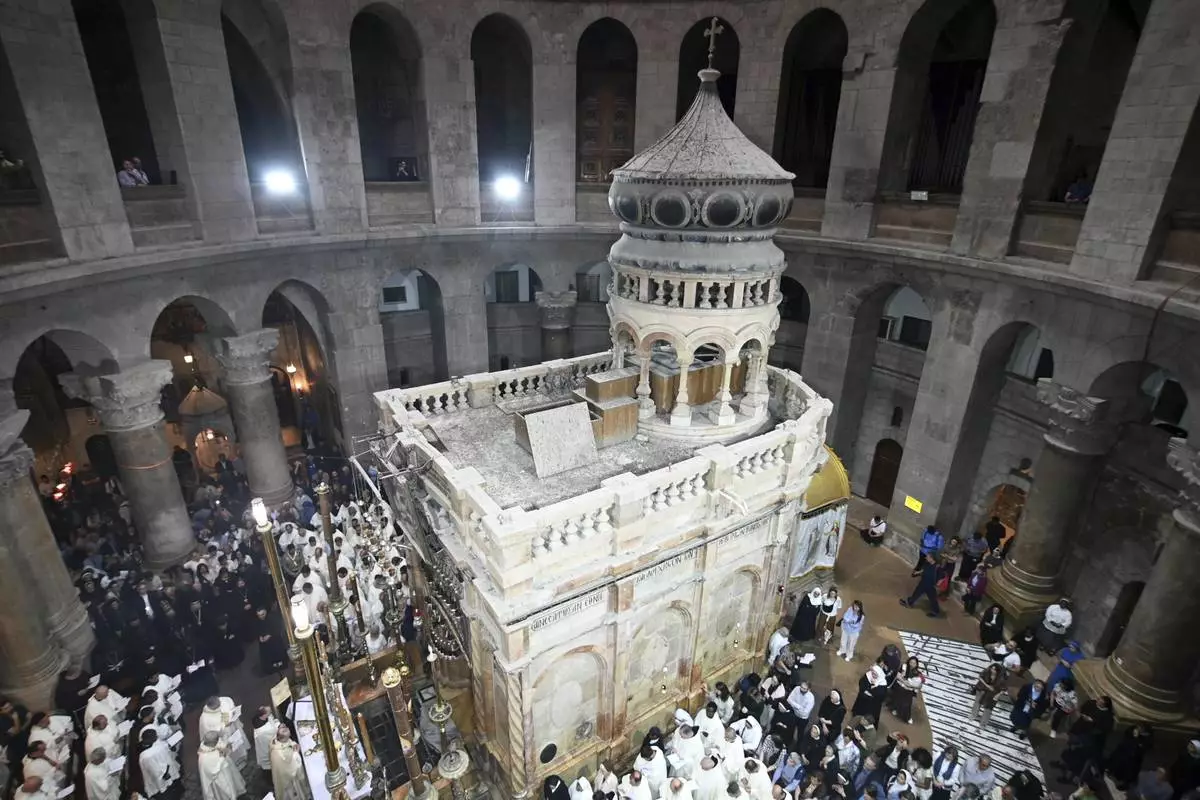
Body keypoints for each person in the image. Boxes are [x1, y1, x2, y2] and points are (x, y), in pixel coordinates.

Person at [198, 729, 246, 800]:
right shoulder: (204, 758)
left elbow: (220, 744)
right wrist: (222, 757)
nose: (218, 741)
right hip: (220, 778)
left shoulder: (209, 744)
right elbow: (212, 772)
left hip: (227, 770)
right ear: (212, 742)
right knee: (227, 793)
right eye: (216, 741)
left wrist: (227, 745)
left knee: (233, 784)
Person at [1106, 724, 1153, 790]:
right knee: (1117, 762)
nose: (1138, 730)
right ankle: (1112, 772)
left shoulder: (1147, 737)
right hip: (1124, 751)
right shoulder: (1132, 729)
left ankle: (1125, 784)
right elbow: (1126, 735)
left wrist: (1137, 739)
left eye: (1140, 729)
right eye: (1138, 728)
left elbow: (1144, 747)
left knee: (1129, 771)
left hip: (1134, 758)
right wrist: (1134, 734)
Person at [138, 727, 181, 799]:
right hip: (158, 779)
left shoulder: (156, 747)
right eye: (156, 736)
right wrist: (164, 772)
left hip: (164, 772)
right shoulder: (146, 756)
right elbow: (154, 771)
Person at [270, 726, 311, 800]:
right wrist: (296, 753)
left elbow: (289, 742)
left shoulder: (277, 740)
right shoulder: (278, 754)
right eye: (284, 731)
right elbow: (289, 770)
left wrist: (293, 745)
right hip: (288, 782)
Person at [886, 657, 925, 725]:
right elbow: (898, 676)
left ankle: (907, 717)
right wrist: (906, 682)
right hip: (899, 687)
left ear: (916, 664)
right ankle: (895, 709)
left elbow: (915, 685)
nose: (912, 664)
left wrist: (905, 681)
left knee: (906, 705)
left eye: (914, 663)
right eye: (911, 662)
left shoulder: (918, 674)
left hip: (908, 691)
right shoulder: (904, 667)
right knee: (896, 699)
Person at [851, 662, 889, 726]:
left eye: (875, 674)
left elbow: (881, 694)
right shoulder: (868, 675)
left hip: (872, 703)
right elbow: (861, 683)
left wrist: (872, 688)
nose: (873, 675)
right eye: (873, 673)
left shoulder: (882, 683)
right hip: (863, 698)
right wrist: (866, 691)